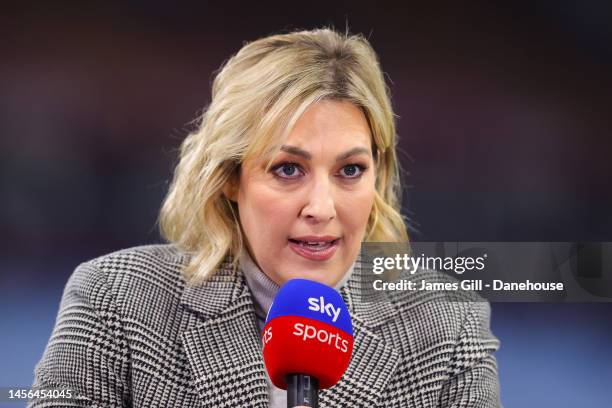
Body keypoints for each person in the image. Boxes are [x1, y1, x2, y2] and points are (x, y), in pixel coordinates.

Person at [30, 28, 501, 407]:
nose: (321, 207)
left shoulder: (448, 326)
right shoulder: (115, 299)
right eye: (288, 169)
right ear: (231, 179)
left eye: (350, 170)